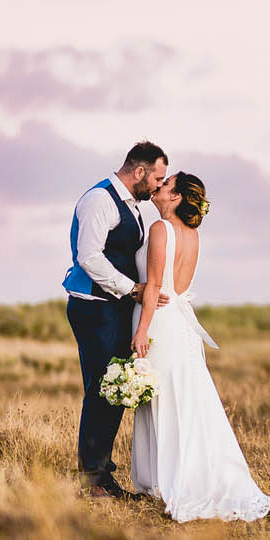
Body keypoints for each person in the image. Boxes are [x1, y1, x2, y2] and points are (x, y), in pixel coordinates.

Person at [130, 172, 270, 523]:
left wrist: (141, 331)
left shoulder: (160, 230)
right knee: (183, 398)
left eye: (165, 184)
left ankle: (171, 480)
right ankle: (174, 474)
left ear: (177, 199)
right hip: (181, 324)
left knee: (162, 397)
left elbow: (155, 286)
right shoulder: (193, 236)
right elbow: (178, 286)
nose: (158, 187)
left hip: (158, 322)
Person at [63, 142, 169, 499]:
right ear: (138, 172)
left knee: (115, 389)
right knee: (100, 390)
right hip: (95, 307)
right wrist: (133, 289)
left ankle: (102, 474)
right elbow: (89, 257)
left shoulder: (131, 205)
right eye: (157, 178)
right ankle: (91, 479)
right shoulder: (99, 201)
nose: (158, 186)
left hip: (115, 306)